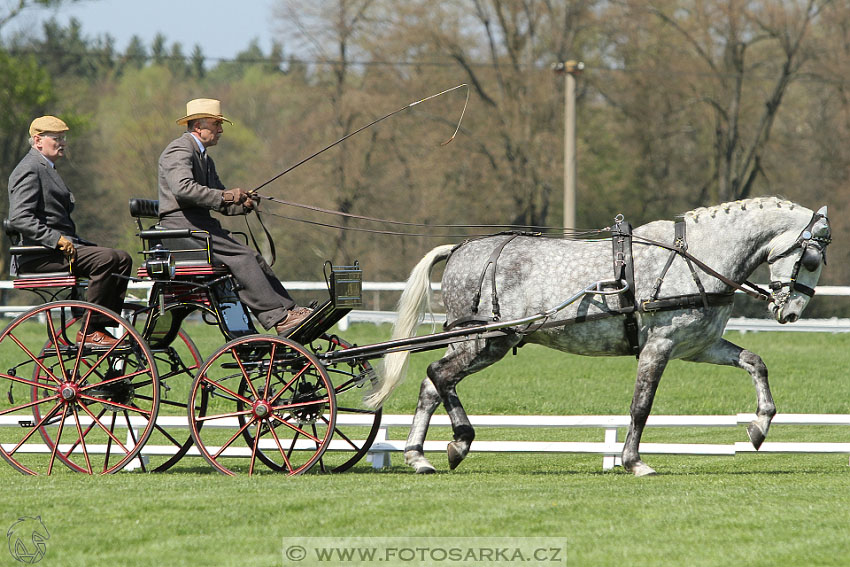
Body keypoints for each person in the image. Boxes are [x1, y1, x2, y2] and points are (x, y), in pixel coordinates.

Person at [157, 98, 311, 335]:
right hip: (181, 226)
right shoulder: (179, 150)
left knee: (253, 256)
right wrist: (228, 196)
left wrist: (244, 203)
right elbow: (183, 189)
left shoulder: (205, 158)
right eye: (216, 124)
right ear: (198, 126)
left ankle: (288, 311)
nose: (220, 130)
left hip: (199, 224)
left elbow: (220, 200)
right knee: (242, 257)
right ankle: (278, 318)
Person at [7, 116, 133, 347]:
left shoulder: (46, 168)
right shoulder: (29, 169)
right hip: (40, 255)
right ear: (38, 140)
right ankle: (89, 330)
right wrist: (56, 240)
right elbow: (20, 218)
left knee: (122, 258)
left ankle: (103, 325)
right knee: (106, 259)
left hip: (57, 251)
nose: (63, 143)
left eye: (64, 138)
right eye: (57, 138)